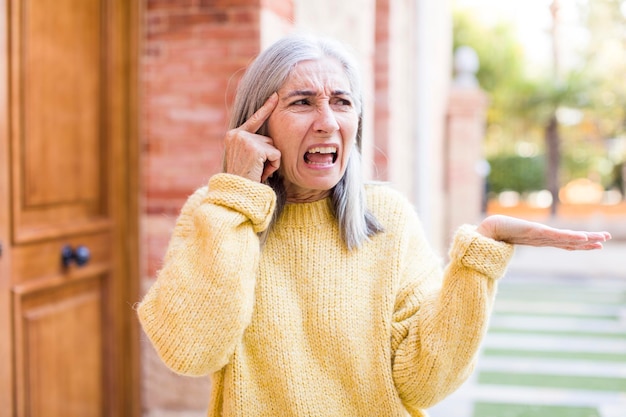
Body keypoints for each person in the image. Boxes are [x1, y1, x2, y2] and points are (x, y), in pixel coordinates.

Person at [137, 34, 611, 417]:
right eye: (302, 102)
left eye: (341, 102)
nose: (327, 122)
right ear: (259, 125)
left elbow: (422, 383)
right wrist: (236, 199)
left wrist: (479, 260)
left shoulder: (389, 218)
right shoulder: (217, 213)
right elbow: (191, 353)